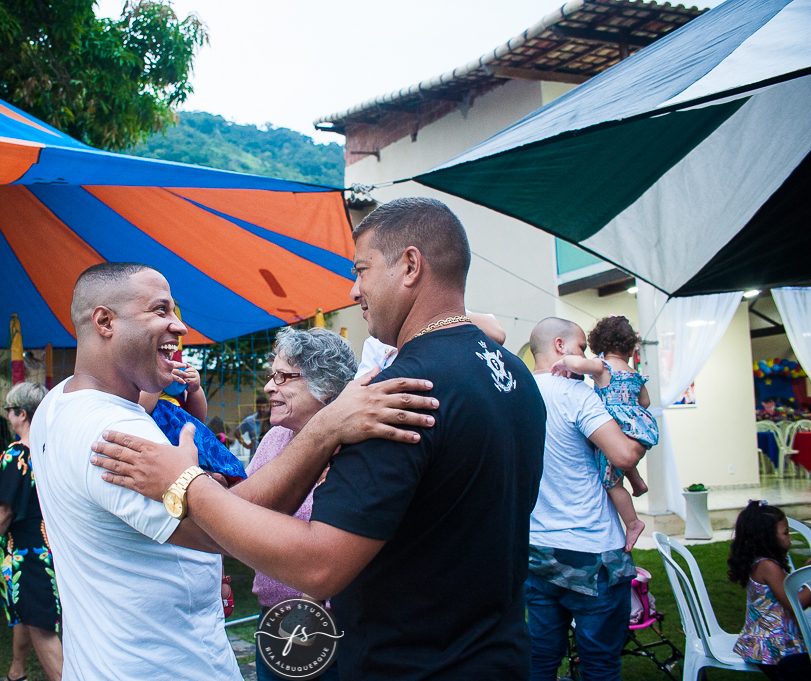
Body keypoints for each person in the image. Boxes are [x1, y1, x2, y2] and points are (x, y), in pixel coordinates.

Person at [91, 198, 548, 679]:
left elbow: (319, 566)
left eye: (362, 270)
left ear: (410, 266)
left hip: (411, 665)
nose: (354, 290)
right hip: (500, 656)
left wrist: (187, 483)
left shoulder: (396, 395)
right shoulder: (516, 374)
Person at [32, 261, 435, 681]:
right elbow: (226, 527)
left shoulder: (57, 402)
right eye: (160, 310)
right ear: (105, 322)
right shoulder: (116, 431)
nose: (179, 326)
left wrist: (193, 480)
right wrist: (327, 427)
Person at [526, 317, 650, 681]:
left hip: (536, 548)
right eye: (582, 348)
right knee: (600, 665)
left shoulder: (516, 393)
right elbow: (624, 455)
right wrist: (644, 433)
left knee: (541, 659)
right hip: (592, 551)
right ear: (560, 346)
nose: (588, 356)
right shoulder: (575, 394)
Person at [246, 326, 356, 681]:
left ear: (326, 386)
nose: (268, 387)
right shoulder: (275, 438)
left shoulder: (358, 448)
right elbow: (245, 513)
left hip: (336, 626)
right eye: (271, 375)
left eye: (283, 376)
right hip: (273, 618)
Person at [0, 382, 62, 681]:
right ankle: (16, 672)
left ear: (21, 413)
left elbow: (4, 511)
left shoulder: (18, 453)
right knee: (26, 611)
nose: (7, 416)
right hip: (54, 545)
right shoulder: (54, 450)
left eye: (9, 410)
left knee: (41, 624)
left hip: (27, 551)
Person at [548, 315, 657, 552]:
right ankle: (637, 482)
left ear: (600, 346)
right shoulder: (634, 373)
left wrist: (563, 362)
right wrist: (629, 411)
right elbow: (645, 402)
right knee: (622, 452)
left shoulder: (602, 367)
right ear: (630, 348)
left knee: (612, 483)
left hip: (612, 424)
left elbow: (578, 365)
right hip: (636, 426)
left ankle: (633, 522)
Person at [730, 501, 811, 680]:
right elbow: (795, 603)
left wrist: (807, 569)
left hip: (774, 642)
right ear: (767, 537)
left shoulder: (764, 563)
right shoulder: (768, 567)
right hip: (772, 647)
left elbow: (788, 588)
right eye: (785, 533)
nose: (790, 538)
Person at [354, 309, 506, 378]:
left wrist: (438, 312)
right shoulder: (374, 344)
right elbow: (361, 392)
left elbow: (498, 333)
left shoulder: (456, 315)